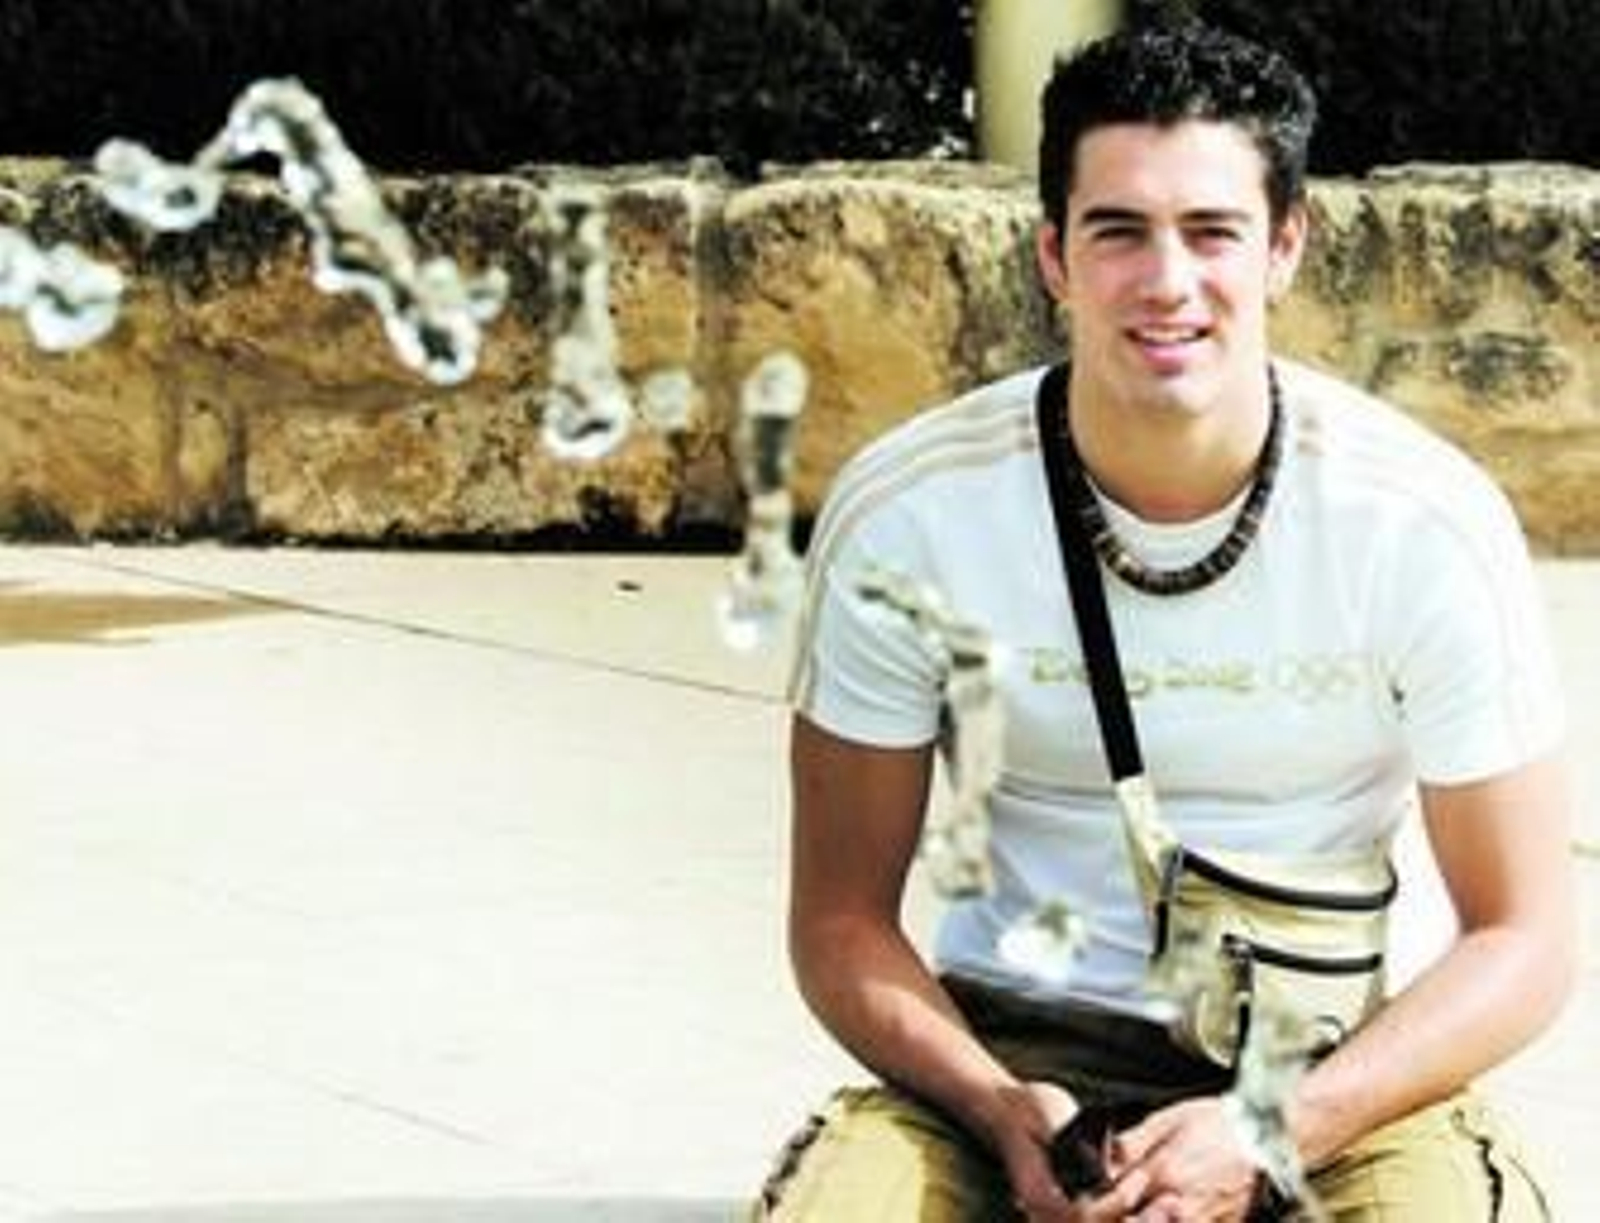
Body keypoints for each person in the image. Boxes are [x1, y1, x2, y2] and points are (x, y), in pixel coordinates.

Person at [752, 21, 1577, 1223]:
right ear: (1052, 254)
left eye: (1212, 230)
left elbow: (1525, 935)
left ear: (1285, 245)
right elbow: (838, 919)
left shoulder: (1420, 520)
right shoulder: (910, 512)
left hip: (1331, 1071)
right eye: (1118, 230)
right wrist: (993, 1103)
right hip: (1006, 1055)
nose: (1166, 279)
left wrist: (1274, 1126)